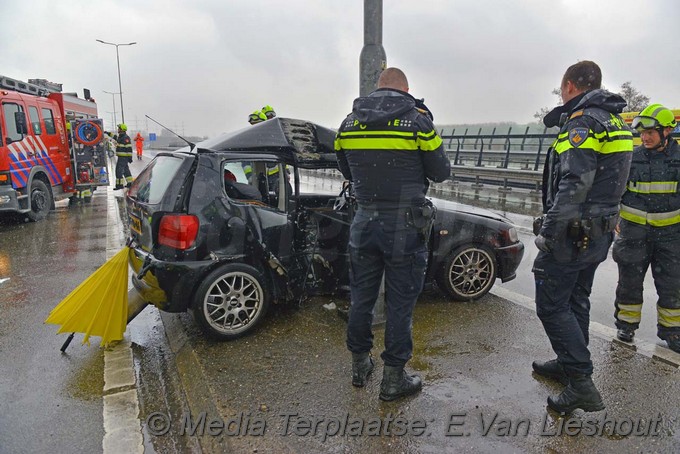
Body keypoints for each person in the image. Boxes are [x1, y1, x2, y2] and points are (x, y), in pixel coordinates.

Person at [334, 67, 451, 401]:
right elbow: (441, 171)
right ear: (406, 90)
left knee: (362, 298)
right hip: (404, 226)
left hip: (363, 222)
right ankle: (393, 380)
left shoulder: (348, 123)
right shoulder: (416, 121)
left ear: (377, 88)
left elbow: (344, 168)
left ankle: (359, 366)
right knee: (400, 304)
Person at [531, 61, 633, 414]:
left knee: (551, 303)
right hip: (599, 231)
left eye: (562, 89)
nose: (562, 94)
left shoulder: (583, 122)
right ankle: (569, 363)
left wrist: (549, 231)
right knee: (577, 299)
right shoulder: (615, 121)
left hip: (573, 233)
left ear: (571, 86)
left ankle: (581, 382)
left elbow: (575, 183)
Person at [613, 104, 680, 353]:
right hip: (633, 233)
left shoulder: (678, 159)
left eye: (651, 132)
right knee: (629, 282)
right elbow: (616, 192)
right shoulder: (632, 157)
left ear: (667, 131)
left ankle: (672, 332)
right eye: (642, 133)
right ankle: (626, 325)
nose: (645, 137)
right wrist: (615, 219)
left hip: (671, 236)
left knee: (672, 284)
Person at [106, 123, 133, 189]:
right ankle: (130, 183)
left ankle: (119, 185)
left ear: (122, 130)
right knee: (126, 170)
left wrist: (130, 157)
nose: (118, 129)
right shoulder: (121, 137)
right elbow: (115, 137)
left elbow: (129, 148)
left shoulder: (125, 138)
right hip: (122, 157)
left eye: (119, 128)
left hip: (123, 157)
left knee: (118, 171)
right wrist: (108, 133)